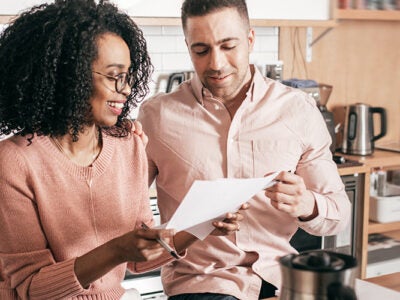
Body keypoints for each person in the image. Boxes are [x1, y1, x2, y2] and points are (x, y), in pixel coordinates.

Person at [0, 1, 245, 299]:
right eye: (114, 75)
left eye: (128, 75)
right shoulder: (13, 162)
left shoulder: (128, 146)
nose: (126, 88)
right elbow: (31, 288)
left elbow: (139, 258)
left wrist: (202, 228)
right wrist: (116, 249)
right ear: (68, 76)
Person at [137, 0, 351, 299]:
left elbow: (339, 213)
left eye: (228, 46)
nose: (216, 64)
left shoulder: (297, 110)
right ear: (188, 47)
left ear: (250, 39)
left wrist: (307, 205)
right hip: (203, 281)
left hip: (282, 276)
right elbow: (128, 215)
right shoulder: (157, 117)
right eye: (201, 50)